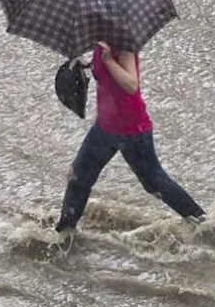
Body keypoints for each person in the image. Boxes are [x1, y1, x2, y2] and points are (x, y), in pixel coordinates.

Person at [54, 41, 206, 237]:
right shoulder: (101, 42)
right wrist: (87, 65)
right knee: (78, 177)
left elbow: (131, 84)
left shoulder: (123, 43)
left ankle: (202, 224)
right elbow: (107, 80)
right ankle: (64, 233)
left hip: (131, 129)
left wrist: (109, 61)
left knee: (153, 182)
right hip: (105, 127)